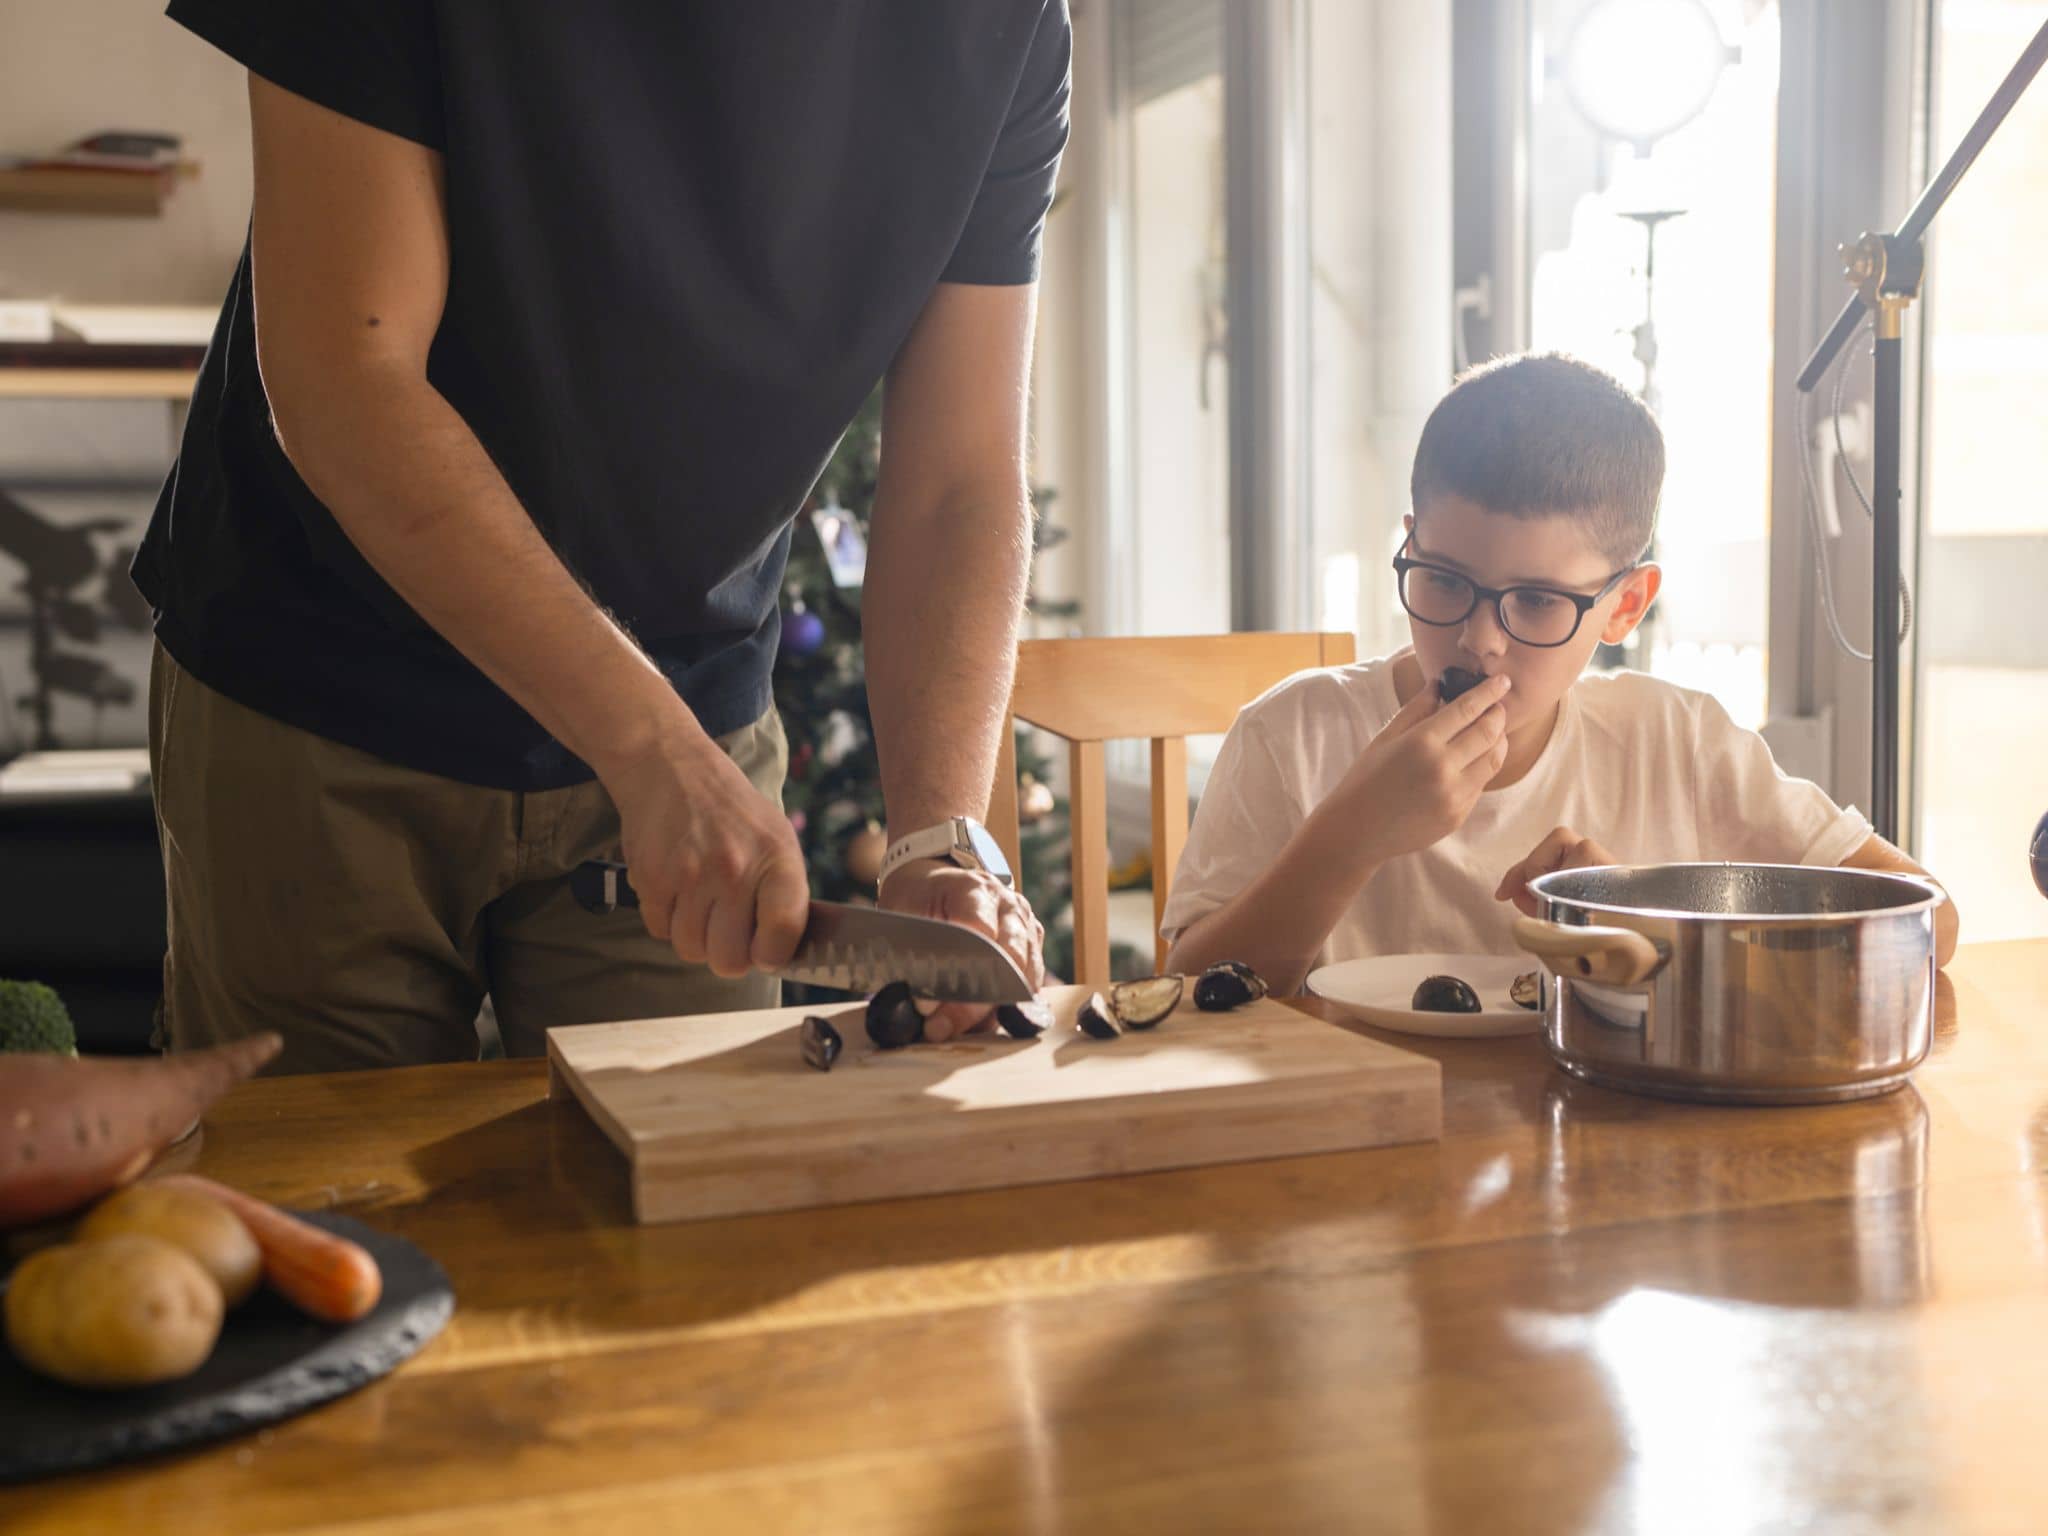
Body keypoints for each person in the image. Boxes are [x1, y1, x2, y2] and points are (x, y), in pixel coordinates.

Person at [136, 3, 1069, 1072]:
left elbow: (957, 482)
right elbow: (349, 386)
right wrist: (651, 749)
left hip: (691, 721)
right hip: (321, 695)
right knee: (324, 1220)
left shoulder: (1005, 26)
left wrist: (941, 839)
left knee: (690, 1211)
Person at [1161, 352, 1958, 994]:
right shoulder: (1293, 736)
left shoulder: (1677, 743)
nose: (1478, 641)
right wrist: (1351, 835)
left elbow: (1930, 923)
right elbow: (1189, 995)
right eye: (1441, 579)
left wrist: (1656, 917)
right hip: (1354, 1155)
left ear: (1626, 605)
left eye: (1537, 601)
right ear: (1407, 544)